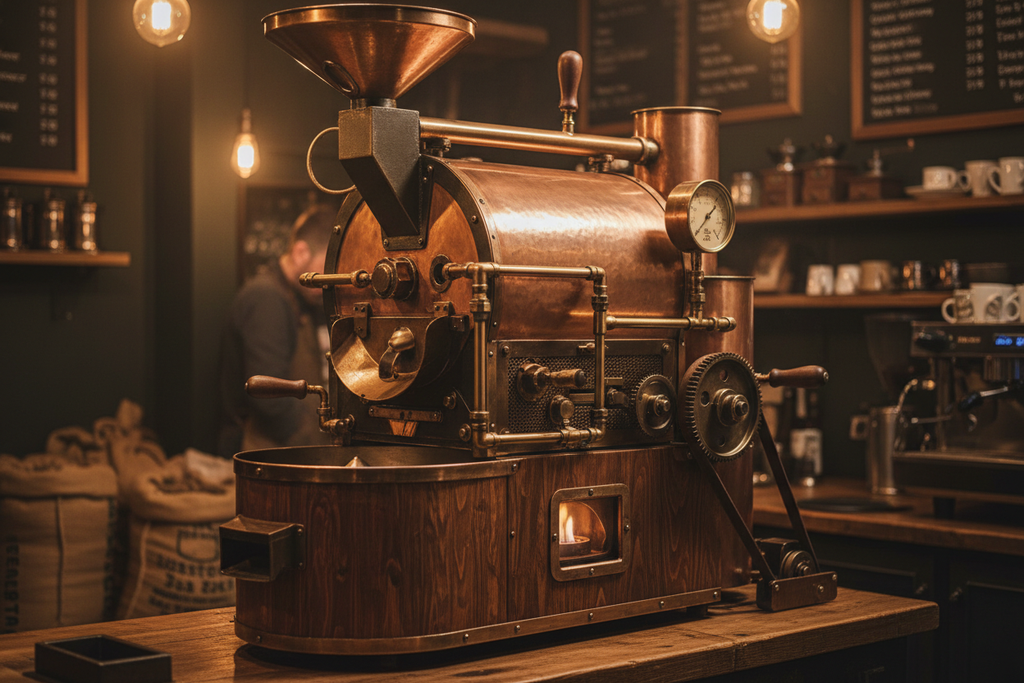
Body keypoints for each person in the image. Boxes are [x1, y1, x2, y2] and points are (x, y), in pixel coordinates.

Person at [217, 205, 336, 457]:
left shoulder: (299, 297)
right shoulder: (266, 298)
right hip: (269, 448)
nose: (327, 282)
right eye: (326, 270)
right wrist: (315, 443)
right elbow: (271, 402)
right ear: (301, 252)